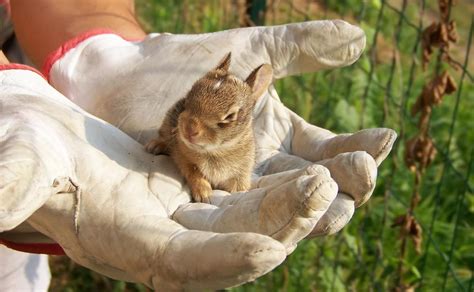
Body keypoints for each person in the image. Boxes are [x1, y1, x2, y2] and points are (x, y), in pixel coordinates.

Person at [0, 0, 396, 290]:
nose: (190, 127)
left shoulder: (243, 141)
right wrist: (8, 90)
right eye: (191, 112)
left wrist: (98, 54)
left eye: (220, 121)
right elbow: (185, 139)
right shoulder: (185, 124)